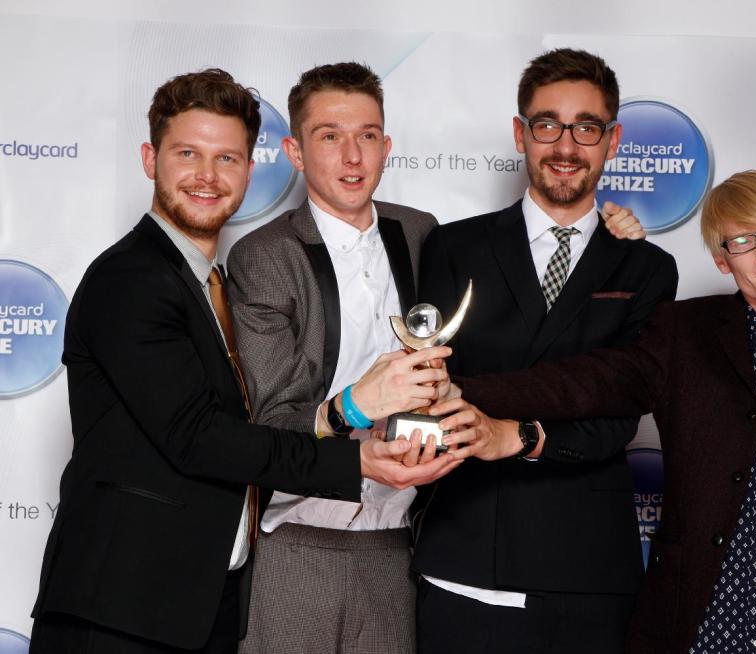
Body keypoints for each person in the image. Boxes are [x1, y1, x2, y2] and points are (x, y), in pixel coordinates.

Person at [28, 68, 457, 654]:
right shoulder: (132, 280)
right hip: (122, 609)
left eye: (227, 159)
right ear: (150, 160)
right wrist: (356, 447)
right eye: (188, 154)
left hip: (199, 596)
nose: (208, 177)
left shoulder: (202, 283)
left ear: (250, 171)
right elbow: (199, 438)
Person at [226, 60, 648, 654]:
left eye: (367, 136)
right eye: (330, 137)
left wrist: (610, 235)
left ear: (387, 145)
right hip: (302, 537)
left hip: (401, 541)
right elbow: (267, 427)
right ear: (295, 152)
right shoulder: (265, 256)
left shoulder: (422, 234)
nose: (352, 156)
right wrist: (352, 407)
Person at [441, 170, 756, 654]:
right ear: (723, 261)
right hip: (702, 628)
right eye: (740, 241)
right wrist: (462, 390)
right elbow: (588, 383)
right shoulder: (684, 334)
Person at [411, 48, 678, 654]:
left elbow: (622, 410)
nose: (565, 145)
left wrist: (521, 435)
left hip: (585, 566)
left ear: (612, 140)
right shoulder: (453, 247)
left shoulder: (647, 267)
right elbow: (429, 388)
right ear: (520, 134)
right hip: (468, 549)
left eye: (586, 127)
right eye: (546, 124)